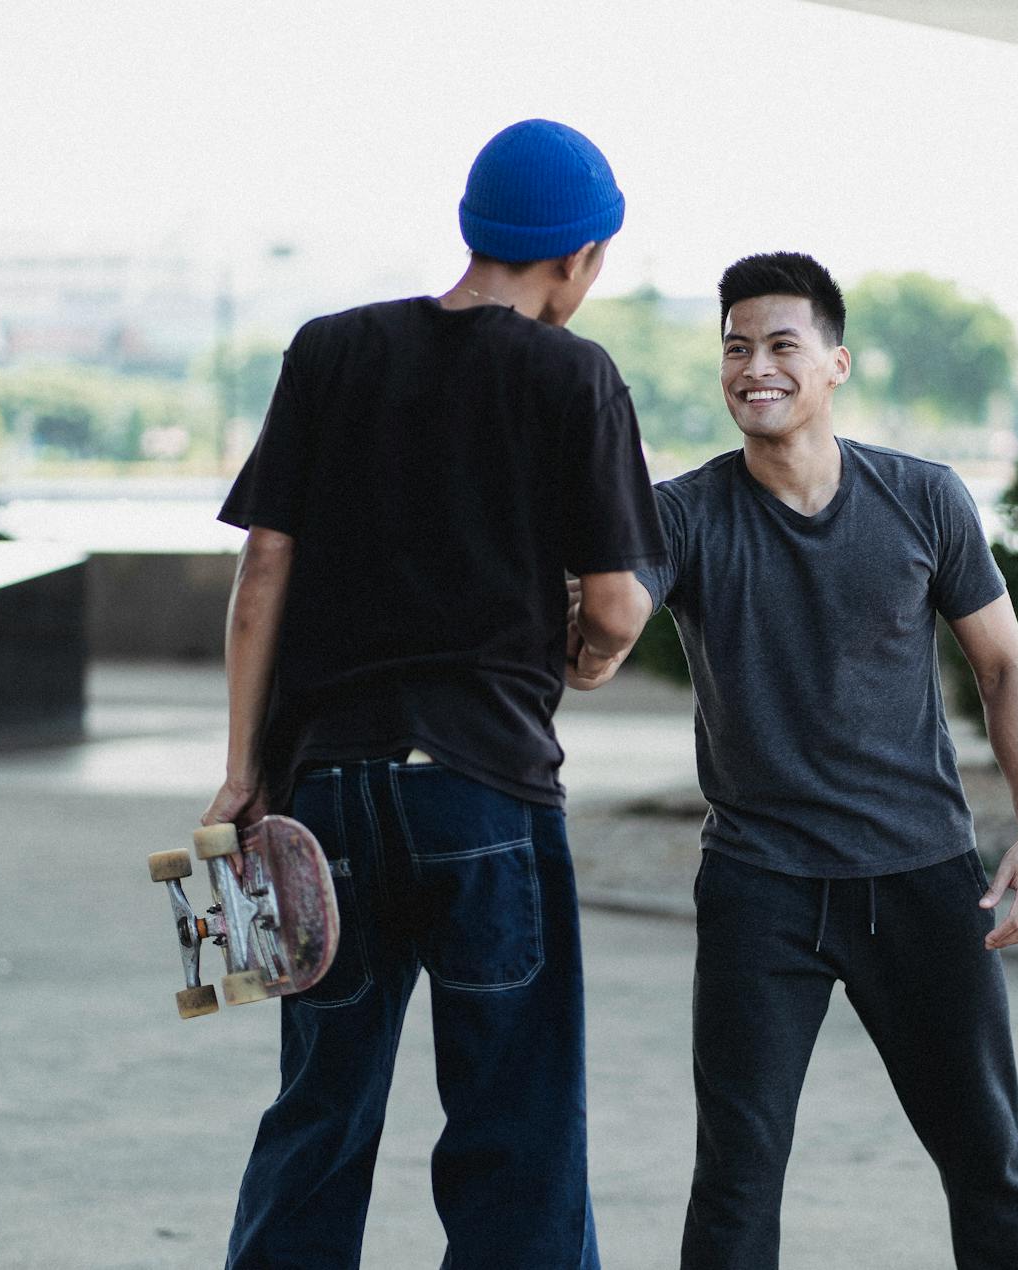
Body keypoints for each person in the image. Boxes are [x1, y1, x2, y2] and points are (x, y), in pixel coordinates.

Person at [204, 119, 663, 1270]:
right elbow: (615, 606)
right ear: (581, 256)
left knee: (319, 1113)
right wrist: (586, 660)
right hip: (484, 796)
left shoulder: (332, 349)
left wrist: (245, 769)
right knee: (518, 1126)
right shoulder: (574, 374)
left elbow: (262, 575)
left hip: (327, 802)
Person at [621, 253, 1018, 1268]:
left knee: (987, 1157)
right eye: (735, 347)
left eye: (781, 344)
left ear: (836, 362)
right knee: (736, 1174)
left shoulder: (923, 498)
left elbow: (1003, 666)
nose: (753, 368)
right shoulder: (683, 514)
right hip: (760, 889)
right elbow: (610, 617)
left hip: (921, 881)